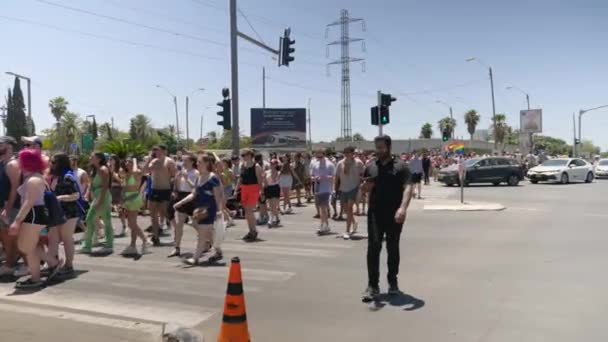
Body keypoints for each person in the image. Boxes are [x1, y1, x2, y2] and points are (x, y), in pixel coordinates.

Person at [361, 135, 413, 302]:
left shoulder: (401, 166)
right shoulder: (370, 166)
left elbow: (408, 188)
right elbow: (364, 188)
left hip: (394, 213)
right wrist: (364, 188)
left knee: (392, 247)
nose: (379, 150)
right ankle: (372, 285)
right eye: (377, 147)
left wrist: (403, 208)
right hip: (375, 213)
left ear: (389, 147)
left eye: (381, 147)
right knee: (373, 248)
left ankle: (393, 282)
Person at [10, 149, 64, 289]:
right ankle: (37, 276)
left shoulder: (34, 179)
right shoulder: (34, 177)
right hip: (35, 215)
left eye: (20, 159)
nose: (18, 161)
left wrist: (17, 221)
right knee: (31, 247)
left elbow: (29, 202)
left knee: (26, 247)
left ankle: (52, 264)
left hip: (33, 215)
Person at [174, 154, 225, 265]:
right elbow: (193, 194)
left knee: (202, 233)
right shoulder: (199, 177)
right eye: (197, 162)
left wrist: (219, 211)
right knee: (206, 232)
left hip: (209, 209)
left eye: (199, 162)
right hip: (200, 209)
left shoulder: (213, 177)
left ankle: (195, 258)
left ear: (207, 163)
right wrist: (180, 202)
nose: (197, 164)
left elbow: (218, 196)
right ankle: (218, 250)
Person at [48, 153, 82, 277]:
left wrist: (61, 198)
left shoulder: (68, 176)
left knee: (67, 239)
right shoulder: (54, 176)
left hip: (69, 212)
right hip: (56, 212)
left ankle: (69, 265)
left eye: (53, 161)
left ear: (59, 163)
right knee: (53, 239)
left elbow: (76, 195)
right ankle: (54, 264)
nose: (51, 163)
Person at [80, 152, 113, 254]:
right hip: (97, 196)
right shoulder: (95, 170)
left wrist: (100, 200)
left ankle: (106, 245)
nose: (90, 158)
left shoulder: (103, 169)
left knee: (94, 219)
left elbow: (105, 186)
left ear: (98, 159)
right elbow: (91, 185)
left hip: (102, 197)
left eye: (92, 157)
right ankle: (89, 245)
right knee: (94, 220)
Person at [144, 145, 176, 246]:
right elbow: (145, 171)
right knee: (152, 213)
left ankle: (176, 230)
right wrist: (148, 160)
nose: (157, 152)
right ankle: (155, 236)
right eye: (156, 151)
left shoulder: (169, 161)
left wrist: (174, 190)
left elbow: (174, 175)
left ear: (164, 151)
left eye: (159, 150)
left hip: (165, 189)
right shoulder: (153, 161)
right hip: (154, 189)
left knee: (165, 212)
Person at [168, 154, 199, 258]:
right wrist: (176, 180)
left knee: (195, 223)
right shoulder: (181, 172)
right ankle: (176, 247)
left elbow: (194, 188)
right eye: (183, 160)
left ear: (192, 162)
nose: (183, 162)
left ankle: (207, 240)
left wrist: (186, 178)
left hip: (192, 197)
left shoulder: (196, 173)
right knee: (179, 224)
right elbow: (177, 186)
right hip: (181, 195)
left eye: (186, 160)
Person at [0, 136, 22, 278]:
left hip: (10, 206)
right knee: (4, 236)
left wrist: (7, 209)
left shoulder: (12, 165)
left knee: (8, 237)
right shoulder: (3, 163)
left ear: (8, 146)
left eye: (0, 144)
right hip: (3, 205)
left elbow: (14, 188)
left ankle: (9, 264)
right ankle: (11, 261)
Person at [120, 158, 148, 256]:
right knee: (131, 224)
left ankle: (140, 242)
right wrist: (122, 199)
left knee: (133, 223)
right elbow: (124, 188)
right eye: (127, 162)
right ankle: (136, 244)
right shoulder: (126, 175)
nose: (128, 163)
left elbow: (136, 171)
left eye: (130, 162)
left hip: (134, 198)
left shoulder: (137, 173)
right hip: (127, 199)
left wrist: (135, 160)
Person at [335, 146, 364, 240]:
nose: (347, 154)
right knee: (346, 210)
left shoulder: (358, 163)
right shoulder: (340, 163)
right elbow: (337, 177)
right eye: (345, 152)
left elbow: (363, 175)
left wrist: (361, 188)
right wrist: (335, 188)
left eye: (349, 152)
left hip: (353, 188)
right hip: (343, 188)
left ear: (352, 153)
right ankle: (354, 222)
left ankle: (347, 230)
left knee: (350, 208)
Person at [237, 149, 263, 242]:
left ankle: (254, 231)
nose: (243, 157)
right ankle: (251, 231)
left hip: (253, 189)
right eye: (242, 155)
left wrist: (262, 192)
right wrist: (236, 190)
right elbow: (240, 179)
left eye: (245, 155)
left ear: (250, 155)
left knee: (249, 210)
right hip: (244, 189)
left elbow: (260, 180)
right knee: (247, 213)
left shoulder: (256, 166)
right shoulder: (242, 165)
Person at [310, 149, 335, 235]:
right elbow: (312, 176)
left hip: (326, 189)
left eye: (320, 155)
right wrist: (315, 178)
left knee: (323, 208)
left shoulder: (330, 165)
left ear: (324, 155)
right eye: (317, 155)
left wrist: (325, 177)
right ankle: (326, 225)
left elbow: (333, 177)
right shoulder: (315, 164)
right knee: (321, 208)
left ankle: (322, 225)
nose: (318, 157)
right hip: (317, 188)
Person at [109, 155, 126, 237]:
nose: (110, 161)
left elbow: (122, 182)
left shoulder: (120, 170)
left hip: (118, 190)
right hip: (110, 190)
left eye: (111, 159)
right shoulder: (108, 169)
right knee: (108, 209)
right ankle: (110, 228)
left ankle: (124, 226)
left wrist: (115, 175)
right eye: (109, 159)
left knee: (120, 210)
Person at [263, 159, 282, 228]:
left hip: (275, 188)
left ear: (276, 164)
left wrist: (273, 170)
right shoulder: (266, 172)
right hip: (268, 188)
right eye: (271, 163)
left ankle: (270, 220)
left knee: (273, 206)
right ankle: (277, 218)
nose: (272, 165)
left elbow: (274, 179)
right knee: (271, 205)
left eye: (274, 163)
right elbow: (264, 181)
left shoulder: (278, 172)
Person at [218, 158, 235, 227]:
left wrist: (227, 178)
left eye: (224, 162)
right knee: (222, 204)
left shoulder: (229, 171)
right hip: (222, 188)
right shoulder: (221, 170)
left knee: (222, 205)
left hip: (227, 187)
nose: (222, 164)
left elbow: (233, 179)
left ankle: (229, 219)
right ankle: (230, 213)